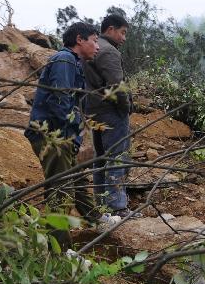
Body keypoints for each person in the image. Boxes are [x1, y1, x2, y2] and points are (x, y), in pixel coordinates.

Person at [25, 21, 101, 248]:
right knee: (60, 192)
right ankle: (59, 252)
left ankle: (96, 220)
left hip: (61, 135)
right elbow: (61, 102)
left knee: (76, 180)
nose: (97, 47)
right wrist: (72, 135)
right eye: (94, 41)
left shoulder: (73, 62)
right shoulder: (64, 60)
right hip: (53, 136)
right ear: (80, 39)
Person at [84, 13, 136, 218]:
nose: (124, 38)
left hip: (93, 111)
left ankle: (102, 205)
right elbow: (117, 87)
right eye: (122, 33)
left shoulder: (92, 50)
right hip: (111, 112)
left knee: (101, 158)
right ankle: (118, 207)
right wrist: (125, 107)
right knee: (117, 157)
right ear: (111, 30)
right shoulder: (109, 52)